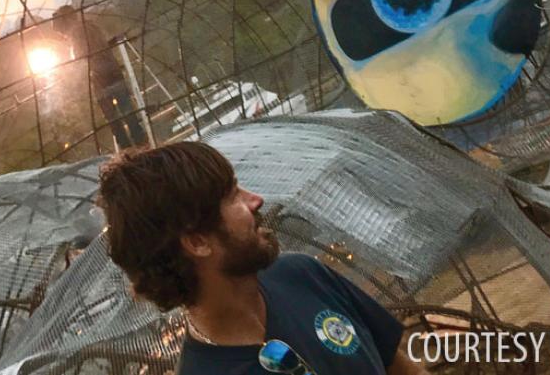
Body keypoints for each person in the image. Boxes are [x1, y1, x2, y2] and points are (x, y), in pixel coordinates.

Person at [98, 141, 426, 374]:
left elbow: (399, 366)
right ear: (198, 242)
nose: (256, 200)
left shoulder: (303, 275)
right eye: (232, 197)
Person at [52, 4, 147, 149]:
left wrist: (71, 71)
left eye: (62, 31)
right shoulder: (91, 26)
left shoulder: (77, 33)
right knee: (128, 111)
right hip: (113, 71)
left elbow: (81, 57)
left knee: (113, 119)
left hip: (99, 78)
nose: (63, 35)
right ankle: (141, 141)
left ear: (66, 22)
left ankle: (127, 149)